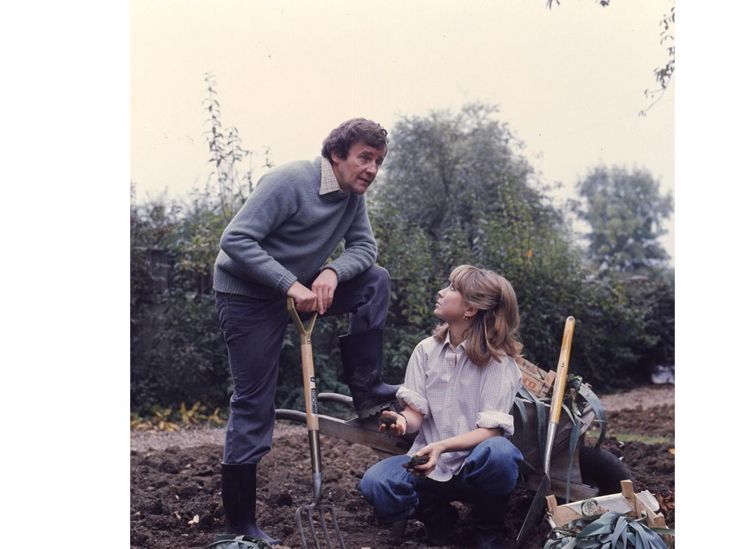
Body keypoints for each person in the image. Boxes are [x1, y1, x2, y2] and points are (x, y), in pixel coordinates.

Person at [212, 118, 399, 543]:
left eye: (379, 162)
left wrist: (332, 270)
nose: (371, 169)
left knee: (375, 280)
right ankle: (240, 526)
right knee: (253, 403)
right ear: (336, 155)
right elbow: (236, 240)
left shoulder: (352, 197)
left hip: (301, 285)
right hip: (246, 296)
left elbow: (366, 248)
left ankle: (367, 393)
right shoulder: (289, 182)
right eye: (364, 158)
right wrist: (289, 284)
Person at [359, 265, 525, 549]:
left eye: (451, 288)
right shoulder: (425, 351)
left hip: (473, 471)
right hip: (427, 465)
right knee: (376, 483)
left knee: (501, 453)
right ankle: (439, 520)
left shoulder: (499, 363)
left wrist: (441, 447)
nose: (441, 292)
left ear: (470, 309)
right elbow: (415, 415)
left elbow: (491, 432)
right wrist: (401, 421)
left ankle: (488, 529)